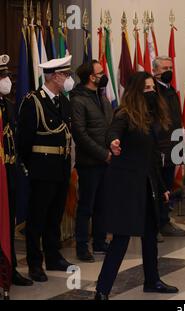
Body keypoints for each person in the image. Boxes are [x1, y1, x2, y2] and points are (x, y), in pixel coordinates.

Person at [95, 72, 178, 300]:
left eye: (153, 88)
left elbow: (152, 159)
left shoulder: (150, 118)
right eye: (147, 88)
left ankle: (152, 281)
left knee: (150, 235)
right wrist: (113, 142)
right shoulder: (125, 114)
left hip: (147, 185)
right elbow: (112, 133)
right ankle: (102, 289)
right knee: (121, 239)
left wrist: (162, 187)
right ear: (135, 91)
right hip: (126, 186)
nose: (151, 92)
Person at [17, 55, 75, 282]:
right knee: (37, 218)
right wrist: (30, 169)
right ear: (53, 76)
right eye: (65, 75)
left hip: (61, 167)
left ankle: (53, 255)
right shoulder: (33, 101)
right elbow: (24, 141)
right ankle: (34, 263)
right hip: (41, 169)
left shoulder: (64, 101)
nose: (68, 79)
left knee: (55, 216)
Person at [70, 60, 113, 262]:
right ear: (91, 77)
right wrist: (103, 154)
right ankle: (81, 246)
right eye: (100, 72)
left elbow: (108, 126)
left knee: (103, 205)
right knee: (86, 206)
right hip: (89, 162)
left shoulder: (102, 97)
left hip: (106, 160)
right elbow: (80, 134)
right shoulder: (78, 100)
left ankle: (99, 242)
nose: (103, 75)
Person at [0, 54, 33, 286]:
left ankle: (9, 268)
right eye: (2, 76)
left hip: (9, 172)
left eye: (8, 75)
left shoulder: (9, 105)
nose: (7, 80)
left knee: (8, 221)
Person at [152, 56, 185, 240]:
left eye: (170, 67)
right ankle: (154, 225)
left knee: (167, 187)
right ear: (155, 70)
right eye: (164, 68)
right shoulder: (151, 91)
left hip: (172, 146)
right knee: (156, 188)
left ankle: (165, 221)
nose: (168, 71)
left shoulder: (171, 90)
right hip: (158, 148)